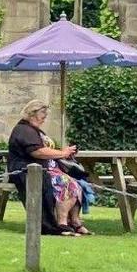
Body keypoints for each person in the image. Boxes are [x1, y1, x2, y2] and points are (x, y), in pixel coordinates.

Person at [7, 101, 84, 236]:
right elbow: (37, 152)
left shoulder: (34, 129)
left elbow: (45, 150)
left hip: (45, 169)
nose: (44, 118)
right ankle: (60, 223)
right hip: (27, 171)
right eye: (42, 115)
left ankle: (70, 222)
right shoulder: (24, 130)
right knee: (64, 183)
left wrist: (64, 152)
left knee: (77, 183)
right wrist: (62, 153)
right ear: (32, 114)